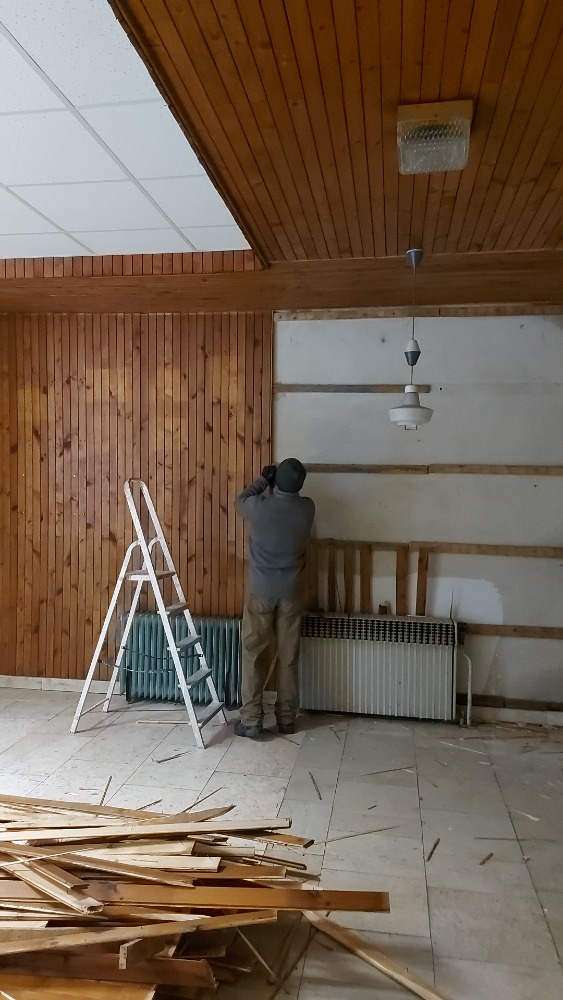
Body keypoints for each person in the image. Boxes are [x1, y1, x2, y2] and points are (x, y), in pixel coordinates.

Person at [234, 458, 315, 739]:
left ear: (275, 480)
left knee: (253, 654)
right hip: (291, 594)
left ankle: (251, 720)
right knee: (288, 657)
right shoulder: (307, 509)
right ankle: (287, 719)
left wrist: (262, 480)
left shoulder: (258, 507)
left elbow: (240, 499)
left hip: (261, 592)